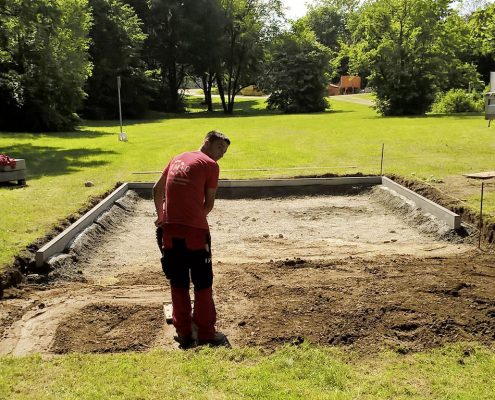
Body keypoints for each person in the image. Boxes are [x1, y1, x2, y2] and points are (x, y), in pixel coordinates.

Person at [153, 130, 230, 348]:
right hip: (195, 235)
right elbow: (209, 203)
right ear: (207, 143)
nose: (221, 154)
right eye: (219, 148)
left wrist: (162, 216)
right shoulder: (210, 165)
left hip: (169, 234)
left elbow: (156, 190)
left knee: (178, 282)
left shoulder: (177, 158)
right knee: (203, 283)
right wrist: (194, 218)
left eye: (224, 151)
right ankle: (206, 333)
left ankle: (184, 332)